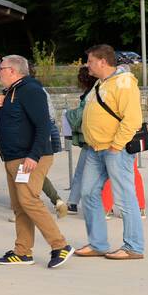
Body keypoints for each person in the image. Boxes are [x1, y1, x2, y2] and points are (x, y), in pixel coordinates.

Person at [0, 55, 72, 268]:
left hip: (29, 156)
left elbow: (43, 126)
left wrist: (34, 155)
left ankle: (60, 245)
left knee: (28, 200)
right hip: (12, 157)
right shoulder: (10, 92)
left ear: (13, 71)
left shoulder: (31, 90)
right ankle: (22, 252)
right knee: (19, 205)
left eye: (1, 68)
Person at [74, 44, 144, 260]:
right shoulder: (101, 82)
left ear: (103, 62)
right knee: (88, 193)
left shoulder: (124, 83)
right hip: (95, 149)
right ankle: (98, 244)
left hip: (114, 149)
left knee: (124, 198)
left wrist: (116, 145)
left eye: (90, 61)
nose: (87, 65)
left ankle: (133, 246)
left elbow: (132, 119)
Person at [63, 66, 96, 214]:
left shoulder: (91, 94)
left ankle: (73, 202)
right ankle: (73, 202)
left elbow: (80, 115)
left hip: (92, 140)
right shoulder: (96, 91)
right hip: (94, 139)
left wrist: (67, 115)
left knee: (82, 172)